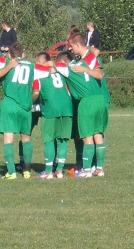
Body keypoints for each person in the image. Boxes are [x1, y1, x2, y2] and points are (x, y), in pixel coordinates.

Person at [54, 47, 108, 178]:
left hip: (86, 102)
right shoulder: (87, 62)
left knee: (86, 136)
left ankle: (87, 169)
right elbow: (95, 54)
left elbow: (49, 65)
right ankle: (99, 168)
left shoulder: (69, 67)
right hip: (100, 99)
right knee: (98, 134)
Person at [0, 42, 34, 180]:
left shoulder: (6, 62)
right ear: (23, 54)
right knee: (26, 137)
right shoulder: (32, 65)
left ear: (10, 54)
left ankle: (11, 172)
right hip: (26, 105)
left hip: (10, 103)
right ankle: (26, 170)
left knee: (8, 138)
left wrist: (9, 65)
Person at [32, 61, 73, 179]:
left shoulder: (38, 76)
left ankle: (49, 171)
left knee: (49, 140)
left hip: (51, 109)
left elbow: (36, 93)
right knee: (63, 140)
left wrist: (31, 103)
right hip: (67, 108)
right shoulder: (61, 72)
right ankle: (59, 170)